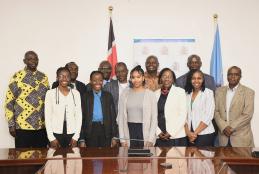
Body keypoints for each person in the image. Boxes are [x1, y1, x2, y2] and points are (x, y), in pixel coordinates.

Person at [4, 51, 49, 148]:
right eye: (29, 59)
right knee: (22, 159)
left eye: (35, 59)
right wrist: (11, 125)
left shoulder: (43, 77)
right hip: (22, 126)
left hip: (41, 126)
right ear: (24, 61)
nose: (33, 61)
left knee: (41, 159)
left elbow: (48, 100)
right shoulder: (17, 77)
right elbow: (9, 102)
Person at [214, 66, 254, 147]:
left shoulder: (249, 92)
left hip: (241, 139)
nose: (232, 77)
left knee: (240, 160)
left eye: (236, 74)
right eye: (230, 74)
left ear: (240, 76)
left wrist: (231, 128)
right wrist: (224, 127)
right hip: (223, 137)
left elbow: (247, 115)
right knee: (223, 160)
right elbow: (215, 112)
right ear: (227, 76)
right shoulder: (219, 91)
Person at [118, 65, 157, 148]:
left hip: (144, 131)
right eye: (133, 77)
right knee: (130, 159)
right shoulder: (125, 94)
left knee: (145, 159)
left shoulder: (150, 95)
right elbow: (121, 118)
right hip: (129, 130)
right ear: (130, 79)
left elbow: (154, 119)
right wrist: (122, 139)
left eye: (138, 77)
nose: (136, 80)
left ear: (143, 78)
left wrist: (150, 139)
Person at [45, 67, 82, 148]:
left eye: (67, 76)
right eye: (61, 76)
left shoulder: (76, 93)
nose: (64, 78)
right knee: (56, 159)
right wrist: (51, 138)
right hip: (55, 133)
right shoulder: (50, 93)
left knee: (72, 159)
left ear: (70, 78)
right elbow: (47, 117)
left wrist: (76, 137)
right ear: (57, 77)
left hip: (72, 133)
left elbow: (79, 116)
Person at [79, 71, 118, 147]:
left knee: (105, 155)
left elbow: (113, 117)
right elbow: (82, 118)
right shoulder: (85, 97)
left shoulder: (108, 96)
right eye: (94, 80)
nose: (97, 82)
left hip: (105, 129)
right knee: (91, 155)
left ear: (103, 81)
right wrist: (82, 138)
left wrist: (114, 136)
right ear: (90, 81)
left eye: (100, 80)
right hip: (90, 130)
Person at [155, 68, 187, 147]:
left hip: (176, 136)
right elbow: (152, 116)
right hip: (159, 136)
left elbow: (183, 115)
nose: (166, 79)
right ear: (160, 78)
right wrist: (158, 132)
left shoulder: (180, 92)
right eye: (164, 76)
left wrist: (171, 132)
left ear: (173, 80)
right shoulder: (155, 94)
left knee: (175, 159)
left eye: (169, 77)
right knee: (160, 159)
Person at [184, 69, 215, 146]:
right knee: (190, 157)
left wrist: (194, 133)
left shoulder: (208, 93)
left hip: (204, 134)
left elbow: (208, 116)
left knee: (204, 158)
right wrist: (188, 132)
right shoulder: (187, 94)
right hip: (189, 134)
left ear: (203, 80)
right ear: (190, 80)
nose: (196, 81)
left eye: (199, 78)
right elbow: (184, 114)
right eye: (193, 78)